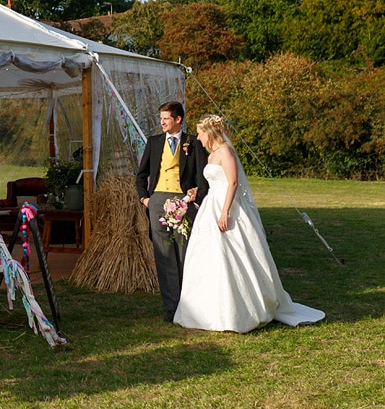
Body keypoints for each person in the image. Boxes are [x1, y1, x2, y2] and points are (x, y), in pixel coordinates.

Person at [174, 116, 325, 332]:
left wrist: (225, 212)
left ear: (211, 133)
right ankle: (205, 309)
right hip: (211, 206)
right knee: (209, 255)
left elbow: (233, 182)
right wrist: (196, 191)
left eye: (200, 132)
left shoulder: (225, 151)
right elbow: (215, 182)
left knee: (233, 253)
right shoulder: (213, 154)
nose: (198, 137)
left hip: (225, 206)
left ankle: (240, 309)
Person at [135, 101, 208, 322]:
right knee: (164, 255)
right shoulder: (154, 142)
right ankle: (172, 308)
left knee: (185, 253)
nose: (162, 123)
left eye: (166, 118)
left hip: (184, 201)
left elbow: (203, 178)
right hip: (157, 201)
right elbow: (141, 174)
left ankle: (190, 306)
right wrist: (146, 199)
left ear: (178, 119)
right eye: (161, 119)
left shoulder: (193, 143)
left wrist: (196, 201)